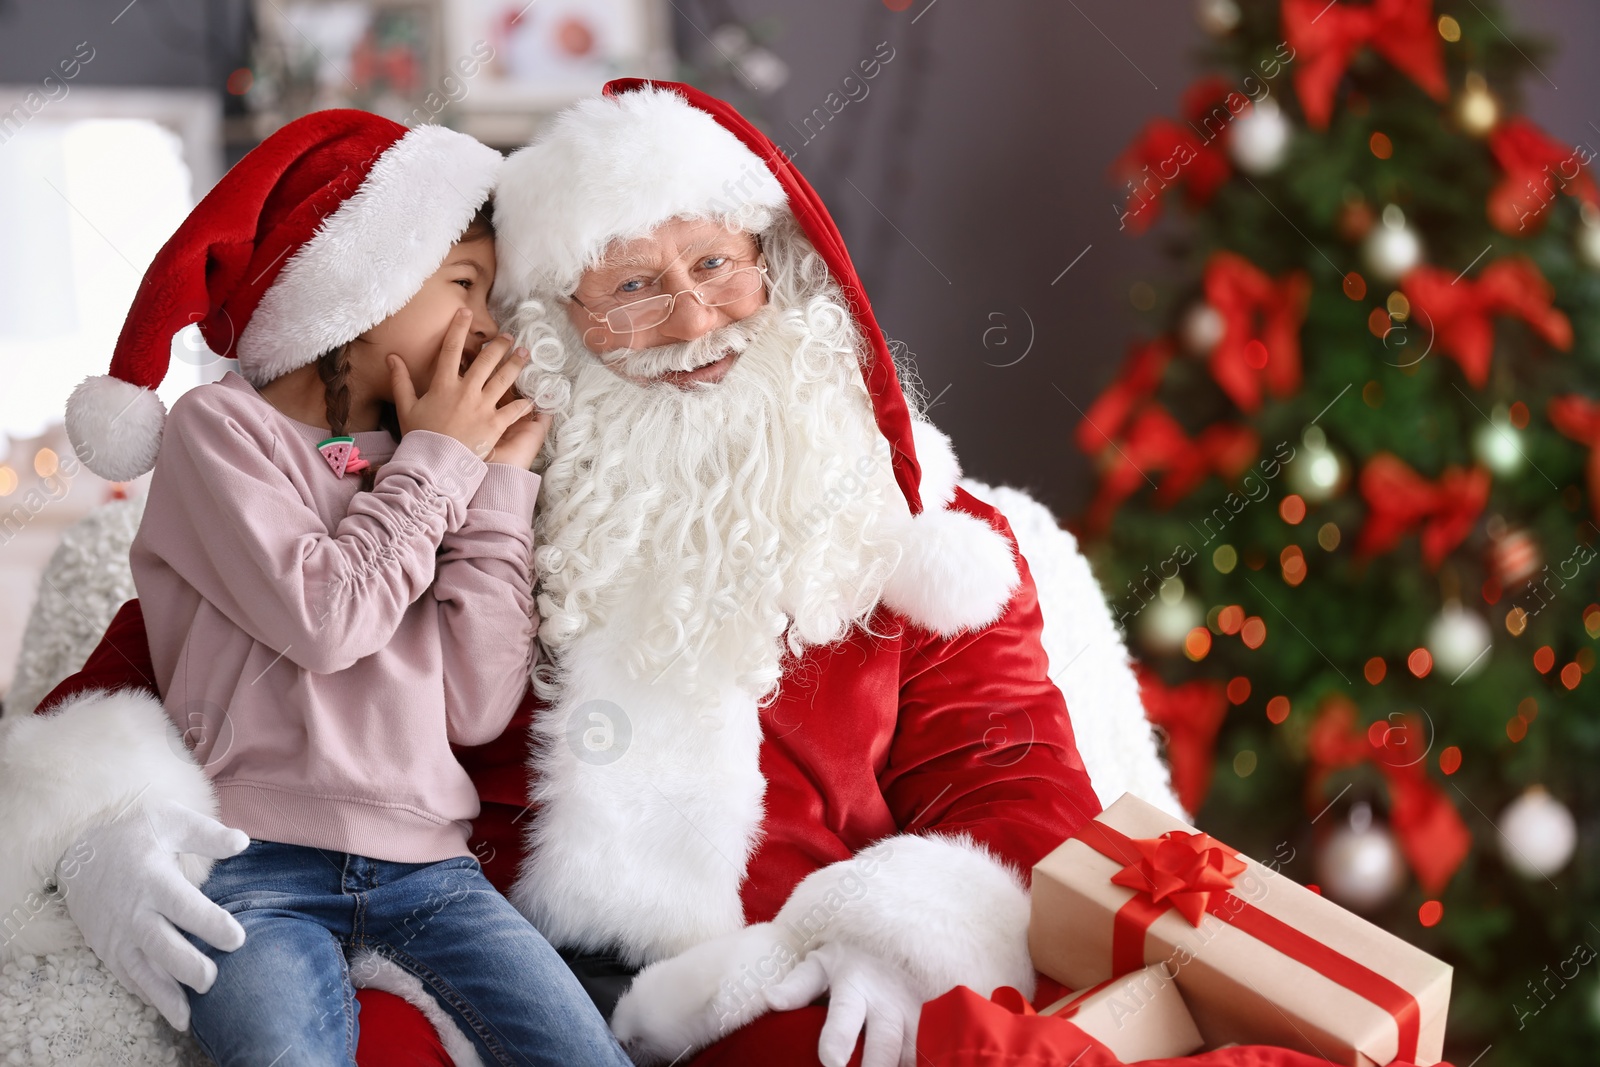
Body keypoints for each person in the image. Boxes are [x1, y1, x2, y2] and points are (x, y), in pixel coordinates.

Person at [2, 83, 1112, 1067]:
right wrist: (109, 821)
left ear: (778, 267)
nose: (688, 318)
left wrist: (906, 931)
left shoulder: (915, 524)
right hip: (461, 934)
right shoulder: (458, 468)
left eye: (715, 263)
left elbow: (1009, 776)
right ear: (552, 321)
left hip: (773, 964)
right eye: (629, 283)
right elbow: (179, 644)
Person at [16, 111, 630, 1067]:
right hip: (250, 864)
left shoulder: (440, 465)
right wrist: (442, 461)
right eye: (465, 284)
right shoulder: (219, 431)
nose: (486, 326)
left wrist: (498, 492)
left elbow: (475, 707)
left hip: (434, 869)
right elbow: (328, 617)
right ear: (361, 277)